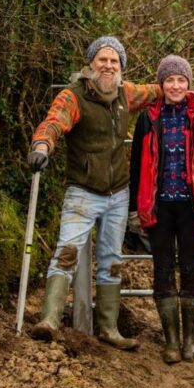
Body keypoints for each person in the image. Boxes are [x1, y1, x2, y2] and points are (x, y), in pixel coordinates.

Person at [28, 36, 162, 349]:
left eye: (114, 61)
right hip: (83, 191)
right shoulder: (73, 96)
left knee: (112, 260)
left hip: (117, 192)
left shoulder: (125, 93)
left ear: (121, 68)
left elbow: (157, 91)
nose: (108, 66)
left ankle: (109, 329)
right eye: (102, 59)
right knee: (68, 251)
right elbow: (53, 122)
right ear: (91, 63)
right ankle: (49, 319)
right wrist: (41, 146)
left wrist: (182, 90)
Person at [128, 55, 194, 364]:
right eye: (169, 80)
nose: (175, 85)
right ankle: (171, 340)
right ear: (161, 84)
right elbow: (136, 164)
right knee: (162, 269)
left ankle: (190, 339)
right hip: (158, 206)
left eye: (180, 80)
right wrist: (134, 206)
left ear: (188, 83)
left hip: (191, 205)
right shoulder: (148, 117)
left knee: (191, 268)